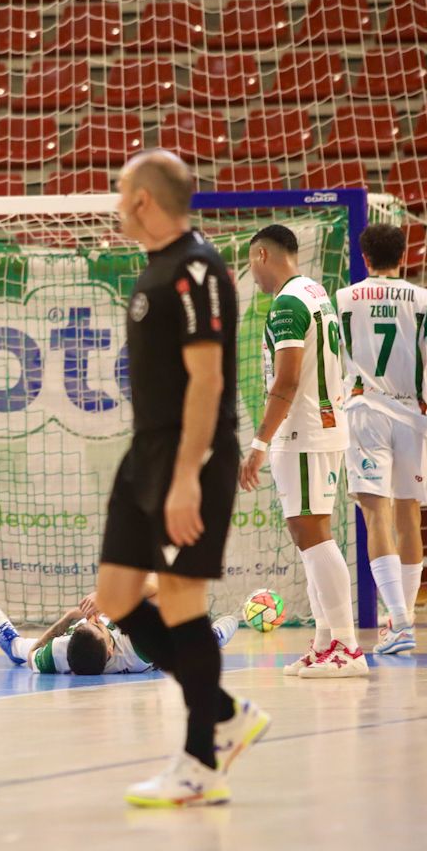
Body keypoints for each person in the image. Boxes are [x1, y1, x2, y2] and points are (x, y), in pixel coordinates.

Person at [93, 150, 268, 808]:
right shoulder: (156, 268)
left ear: (142, 200)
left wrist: (188, 477)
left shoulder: (199, 268)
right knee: (115, 597)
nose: (116, 203)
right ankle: (222, 707)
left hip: (189, 458)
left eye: (120, 192)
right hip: (146, 453)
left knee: (182, 600)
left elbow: (208, 380)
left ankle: (202, 761)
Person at [334, 223, 427, 655]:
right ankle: (404, 620)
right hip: (412, 415)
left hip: (365, 413)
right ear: (405, 255)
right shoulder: (422, 299)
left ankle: (398, 622)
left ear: (363, 258)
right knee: (408, 516)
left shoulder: (341, 299)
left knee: (375, 515)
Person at [237, 224, 362, 678]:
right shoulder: (316, 292)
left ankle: (347, 647)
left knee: (312, 534)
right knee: (310, 534)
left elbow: (286, 381)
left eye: (250, 262)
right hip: (321, 426)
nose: (251, 272)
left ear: (262, 255)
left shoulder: (288, 303)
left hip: (304, 432)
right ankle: (326, 642)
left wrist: (257, 444)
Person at [0, 578, 240, 675]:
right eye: (98, 626)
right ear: (110, 649)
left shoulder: (62, 653)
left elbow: (33, 656)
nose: (95, 619)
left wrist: (68, 618)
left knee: (22, 651)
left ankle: (12, 643)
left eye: (88, 622)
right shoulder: (136, 647)